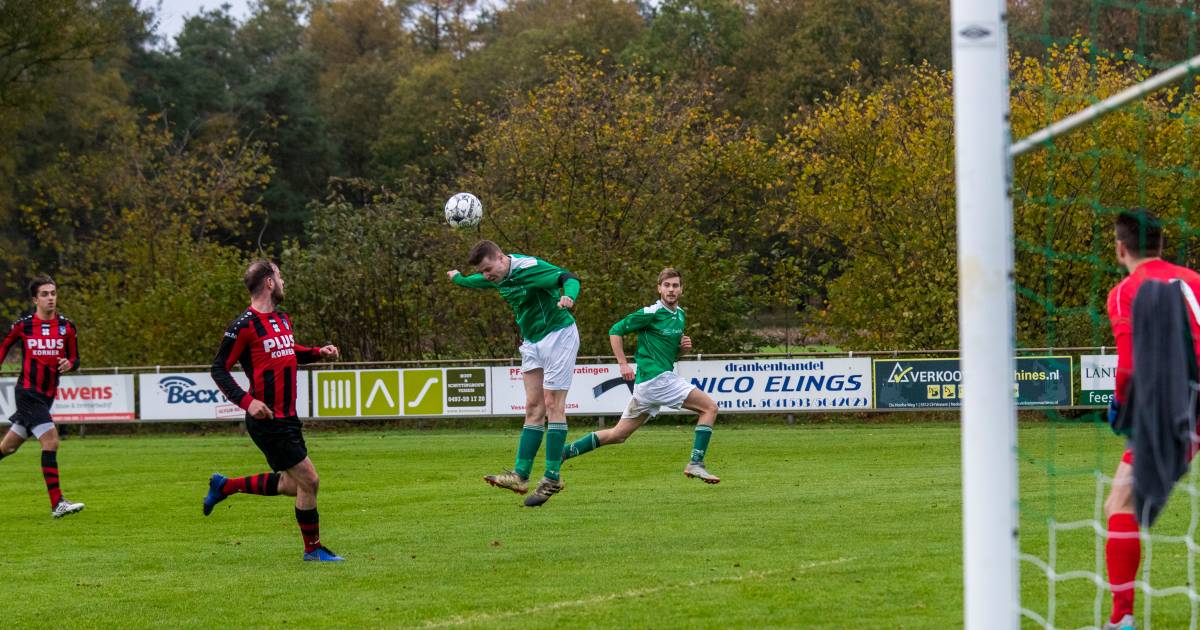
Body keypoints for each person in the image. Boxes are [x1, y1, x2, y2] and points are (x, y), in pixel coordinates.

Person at [202, 260, 344, 562]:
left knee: (293, 485)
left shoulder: (281, 319)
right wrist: (248, 402)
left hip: (288, 417)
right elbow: (219, 369)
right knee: (310, 480)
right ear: (268, 282)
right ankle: (313, 550)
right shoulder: (243, 326)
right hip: (267, 419)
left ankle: (225, 486)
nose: (283, 281)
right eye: (280, 276)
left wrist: (318, 353)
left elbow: (288, 351)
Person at [1102, 209, 1200, 630]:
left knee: (1120, 504)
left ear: (1121, 248)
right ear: (1162, 245)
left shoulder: (1126, 291)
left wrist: (1122, 406)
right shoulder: (1194, 279)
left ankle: (1121, 620)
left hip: (1177, 403)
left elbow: (1129, 366)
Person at [552, 268, 720, 508]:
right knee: (710, 409)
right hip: (656, 380)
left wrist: (683, 350)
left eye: (675, 286)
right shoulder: (651, 312)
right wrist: (622, 364)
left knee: (618, 435)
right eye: (667, 285)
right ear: (659, 288)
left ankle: (562, 454)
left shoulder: (680, 315)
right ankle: (696, 463)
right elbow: (615, 330)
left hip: (651, 384)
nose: (671, 290)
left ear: (681, 289)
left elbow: (670, 356)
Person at [447, 240, 581, 506]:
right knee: (533, 407)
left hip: (559, 335)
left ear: (500, 257)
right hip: (532, 342)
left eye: (488, 269)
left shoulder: (529, 268)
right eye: (483, 272)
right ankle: (520, 476)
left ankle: (552, 476)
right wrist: (459, 279)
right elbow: (478, 282)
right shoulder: (495, 276)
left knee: (554, 404)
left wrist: (569, 295)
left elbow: (568, 277)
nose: (487, 276)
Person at [0, 275, 84, 518]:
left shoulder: (67, 327)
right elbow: (3, 349)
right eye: (45, 294)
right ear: (35, 299)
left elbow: (75, 359)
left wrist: (70, 363)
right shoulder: (22, 326)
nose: (51, 298)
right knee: (51, 441)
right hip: (27, 393)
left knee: (8, 447)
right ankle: (57, 503)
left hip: (47, 395)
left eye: (53, 293)